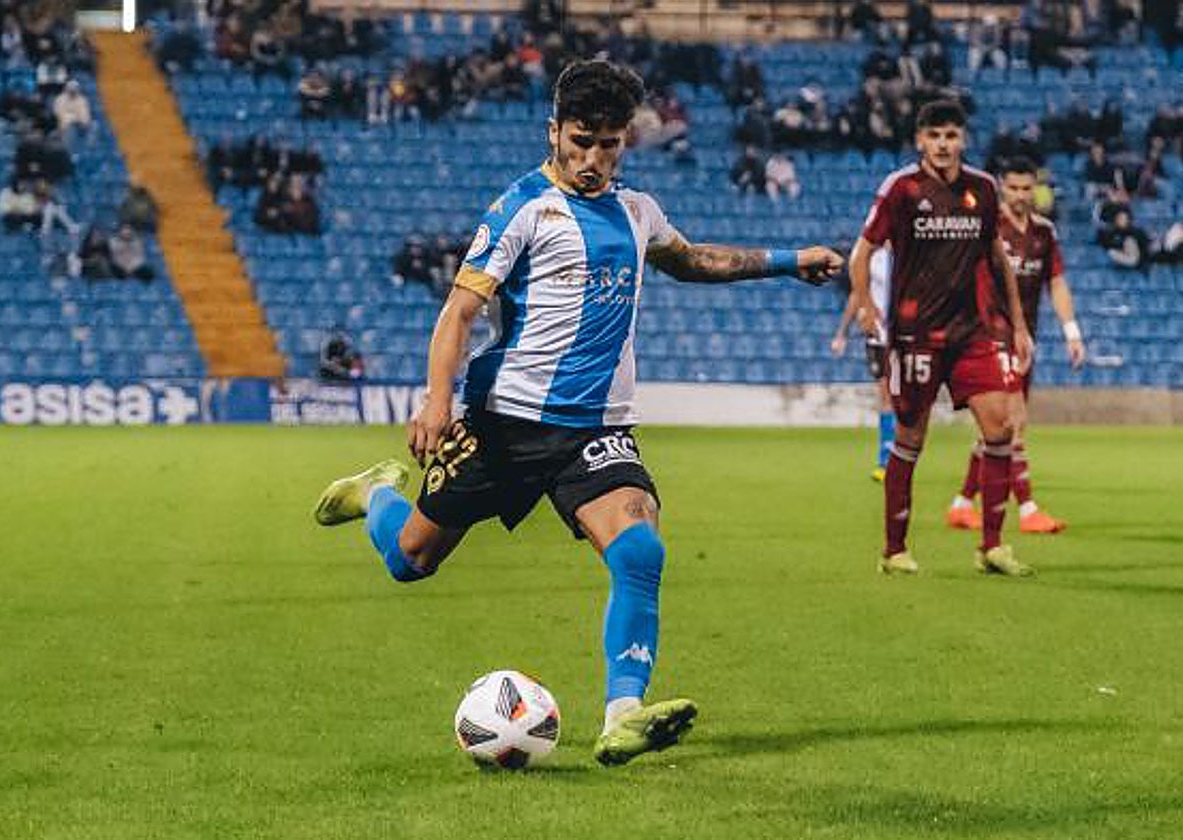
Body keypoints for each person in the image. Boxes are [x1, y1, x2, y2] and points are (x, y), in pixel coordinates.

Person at [313, 59, 843, 766]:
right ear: (554, 131)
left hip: (595, 430)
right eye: (581, 141)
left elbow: (691, 260)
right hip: (504, 423)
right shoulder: (522, 209)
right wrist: (438, 401)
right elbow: (459, 310)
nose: (594, 160)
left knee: (639, 550)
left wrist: (787, 260)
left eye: (610, 144)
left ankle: (622, 715)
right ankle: (374, 491)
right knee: (410, 561)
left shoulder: (636, 210)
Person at [849, 99, 1035, 578]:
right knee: (911, 438)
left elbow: (997, 257)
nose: (944, 144)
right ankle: (894, 549)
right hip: (916, 337)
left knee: (1000, 429)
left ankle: (992, 546)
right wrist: (866, 304)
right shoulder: (902, 189)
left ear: (963, 140)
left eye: (951, 135)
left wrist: (1017, 325)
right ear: (920, 141)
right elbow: (862, 251)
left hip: (972, 332)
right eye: (935, 135)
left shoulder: (982, 188)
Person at [947, 158, 1085, 535]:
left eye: (1027, 189)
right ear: (1002, 188)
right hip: (991, 337)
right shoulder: (988, 228)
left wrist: (1071, 331)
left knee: (994, 431)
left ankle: (961, 504)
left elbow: (1056, 283)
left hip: (1026, 341)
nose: (1021, 196)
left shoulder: (1044, 232)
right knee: (1014, 422)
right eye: (1014, 188)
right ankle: (1027, 509)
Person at [832, 245, 894, 481]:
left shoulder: (908, 249)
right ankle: (885, 460)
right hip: (877, 333)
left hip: (904, 332)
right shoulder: (871, 256)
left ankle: (900, 455)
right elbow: (857, 293)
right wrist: (842, 333)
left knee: (904, 398)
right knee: (886, 395)